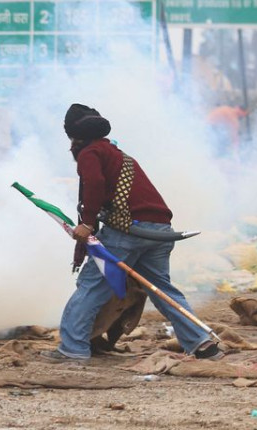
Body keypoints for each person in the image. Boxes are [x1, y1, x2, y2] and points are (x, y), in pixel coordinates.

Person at [41, 103, 223, 362]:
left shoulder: (90, 153)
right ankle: (202, 343)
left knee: (92, 285)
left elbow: (94, 184)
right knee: (163, 290)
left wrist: (88, 223)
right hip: (160, 230)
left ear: (73, 135)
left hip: (128, 231)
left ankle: (72, 349)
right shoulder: (116, 153)